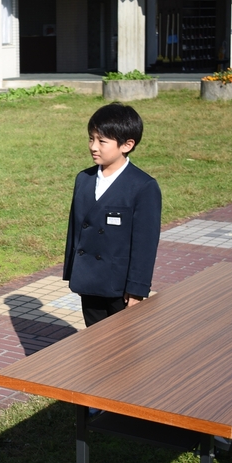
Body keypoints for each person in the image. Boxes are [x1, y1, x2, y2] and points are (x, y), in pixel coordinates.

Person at [63, 102, 162, 327]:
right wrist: (73, 271)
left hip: (120, 286)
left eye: (102, 141)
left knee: (123, 347)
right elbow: (75, 229)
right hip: (89, 280)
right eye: (91, 138)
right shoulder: (84, 179)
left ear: (127, 145)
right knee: (94, 340)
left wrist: (137, 288)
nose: (93, 147)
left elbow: (145, 244)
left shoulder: (143, 186)